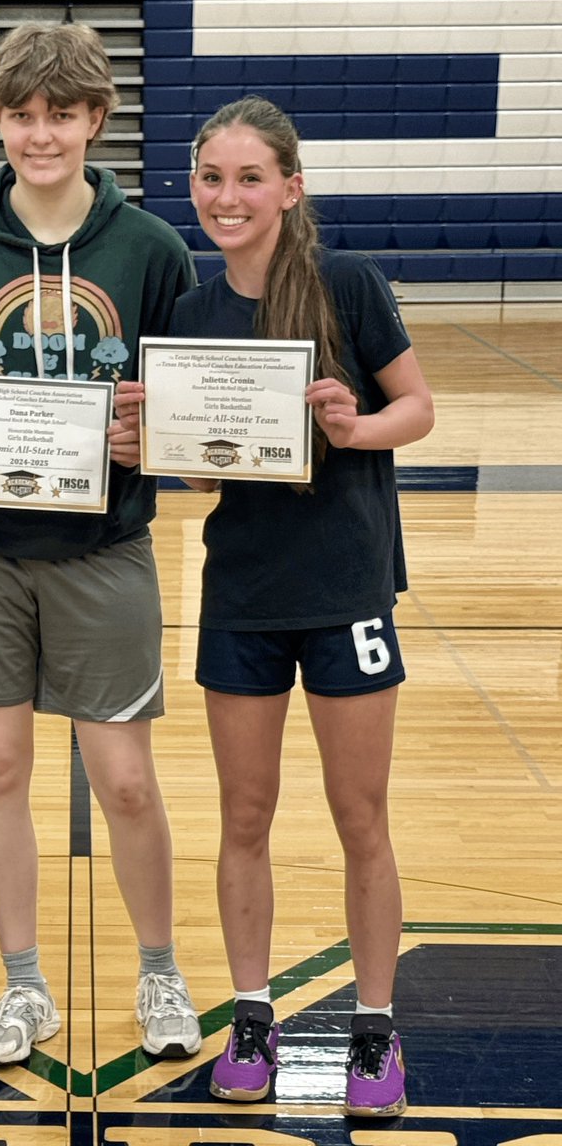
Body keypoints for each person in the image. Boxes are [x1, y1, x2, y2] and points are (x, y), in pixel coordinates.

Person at [0, 21, 201, 1067]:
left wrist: (145, 432)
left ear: (96, 121)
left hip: (102, 547)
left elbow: (185, 404)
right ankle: (23, 987)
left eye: (60, 114)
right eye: (21, 114)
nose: (40, 133)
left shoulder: (153, 252)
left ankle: (160, 972)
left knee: (122, 778)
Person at [158, 95, 434, 1115]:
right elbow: (201, 479)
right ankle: (250, 1015)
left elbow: (416, 406)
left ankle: (373, 1031)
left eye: (246, 178)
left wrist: (355, 427)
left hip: (344, 590)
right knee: (244, 814)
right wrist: (167, 447)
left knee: (360, 817)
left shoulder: (345, 286)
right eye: (210, 178)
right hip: (240, 594)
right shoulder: (190, 312)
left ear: (288, 188)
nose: (226, 197)